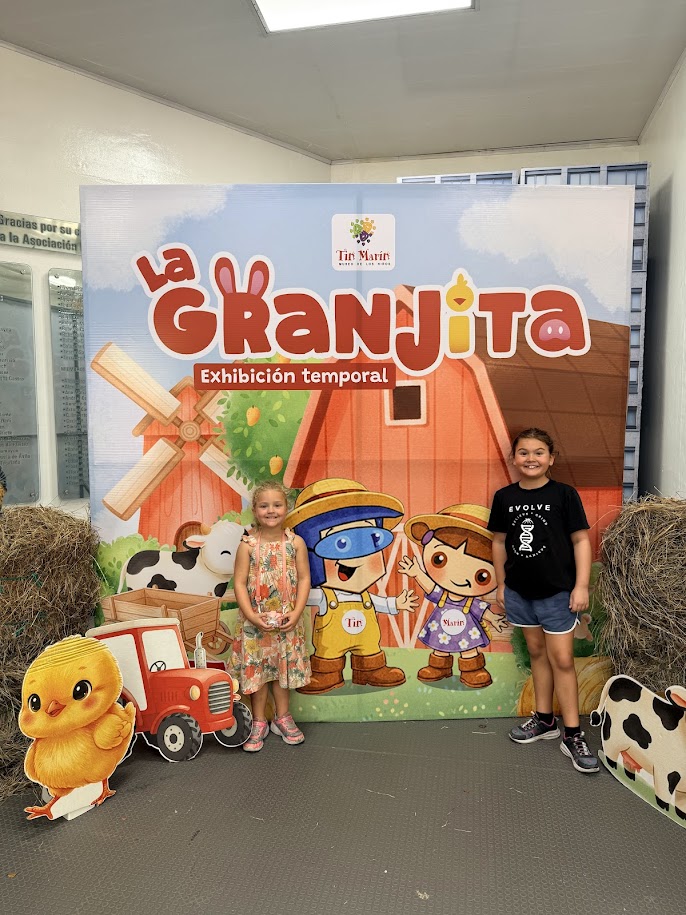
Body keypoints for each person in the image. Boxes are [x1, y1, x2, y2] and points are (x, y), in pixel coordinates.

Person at [488, 428, 599, 773]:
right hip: (520, 593)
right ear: (514, 458)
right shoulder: (505, 497)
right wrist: (501, 585)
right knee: (537, 654)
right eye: (524, 452)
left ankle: (573, 733)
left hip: (558, 594)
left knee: (562, 659)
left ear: (551, 458)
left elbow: (581, 541)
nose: (531, 458)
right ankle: (545, 720)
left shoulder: (564, 495)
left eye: (539, 452)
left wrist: (581, 586)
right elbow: (498, 542)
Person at [231, 482, 311, 752]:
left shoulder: (295, 543)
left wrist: (297, 612)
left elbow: (303, 578)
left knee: (282, 672)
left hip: (287, 623)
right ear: (255, 510)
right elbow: (239, 583)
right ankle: (259, 721)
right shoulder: (248, 545)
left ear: (286, 508)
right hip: (256, 625)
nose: (271, 510)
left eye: (277, 505)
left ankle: (283, 717)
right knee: (259, 674)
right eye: (264, 506)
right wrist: (252, 617)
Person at [398, 504, 507, 688]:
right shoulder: (441, 595)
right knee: (440, 649)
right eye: (439, 560)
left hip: (467, 631)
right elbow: (431, 587)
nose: (459, 577)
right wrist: (417, 572)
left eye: (481, 576)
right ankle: (438, 668)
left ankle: (472, 670)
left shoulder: (470, 601)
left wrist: (493, 618)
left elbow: (480, 610)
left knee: (469, 651)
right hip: (442, 629)